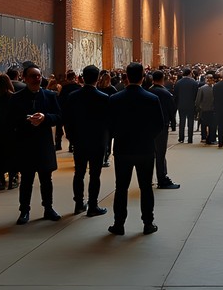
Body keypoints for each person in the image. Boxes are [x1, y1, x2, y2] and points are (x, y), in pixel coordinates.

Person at [107, 62, 167, 236]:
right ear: (143, 77)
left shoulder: (115, 99)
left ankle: (119, 224)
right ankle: (148, 223)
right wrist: (147, 137)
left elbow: (109, 125)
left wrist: (118, 136)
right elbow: (159, 125)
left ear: (126, 76)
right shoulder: (151, 98)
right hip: (145, 149)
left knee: (121, 188)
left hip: (123, 149)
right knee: (146, 187)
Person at [7, 65, 63, 225]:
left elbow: (59, 117)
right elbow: (10, 120)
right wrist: (27, 120)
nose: (36, 79)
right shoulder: (16, 98)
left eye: (38, 76)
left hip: (44, 143)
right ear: (25, 78)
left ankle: (48, 208)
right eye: (32, 76)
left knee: (46, 179)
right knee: (26, 180)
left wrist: (45, 118)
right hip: (26, 143)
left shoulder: (49, 96)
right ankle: (24, 210)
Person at [61, 65, 112, 216]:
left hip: (79, 140)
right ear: (97, 79)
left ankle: (78, 203)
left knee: (79, 173)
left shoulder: (74, 96)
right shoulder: (103, 98)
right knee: (95, 175)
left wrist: (71, 136)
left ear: (82, 77)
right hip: (97, 141)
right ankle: (93, 205)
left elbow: (67, 119)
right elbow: (108, 121)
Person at [147, 70, 181, 189]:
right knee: (161, 154)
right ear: (162, 79)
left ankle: (148, 178)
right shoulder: (165, 93)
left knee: (151, 153)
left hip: (149, 127)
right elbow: (172, 110)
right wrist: (173, 123)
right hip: (162, 126)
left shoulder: (149, 92)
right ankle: (162, 178)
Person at [57, 69, 82, 151]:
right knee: (76, 128)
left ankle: (66, 143)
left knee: (68, 128)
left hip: (66, 111)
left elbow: (60, 100)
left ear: (67, 78)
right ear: (75, 77)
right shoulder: (79, 87)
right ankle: (73, 143)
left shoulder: (64, 88)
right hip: (77, 111)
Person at [174, 67, 199, 143]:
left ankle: (181, 138)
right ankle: (190, 139)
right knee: (190, 122)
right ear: (190, 74)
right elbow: (196, 95)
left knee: (182, 122)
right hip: (191, 104)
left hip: (181, 104)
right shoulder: (194, 83)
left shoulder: (178, 83)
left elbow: (176, 95)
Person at [195, 72, 217, 144]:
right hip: (213, 109)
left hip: (203, 109)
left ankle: (204, 137)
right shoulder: (215, 88)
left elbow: (198, 100)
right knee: (212, 125)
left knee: (204, 124)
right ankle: (212, 138)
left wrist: (198, 108)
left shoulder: (201, 88)